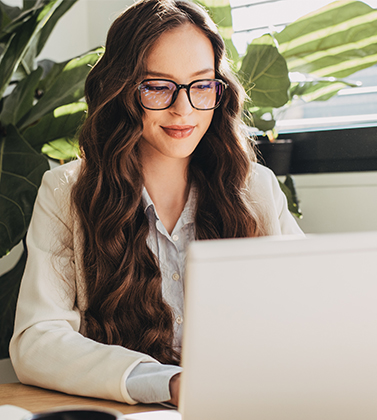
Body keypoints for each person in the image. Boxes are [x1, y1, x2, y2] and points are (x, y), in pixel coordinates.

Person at [10, 0, 303, 407]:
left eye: (201, 85)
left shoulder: (255, 190)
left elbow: (310, 312)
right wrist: (170, 383)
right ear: (122, 90)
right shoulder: (66, 192)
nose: (183, 109)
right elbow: (37, 341)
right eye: (158, 86)